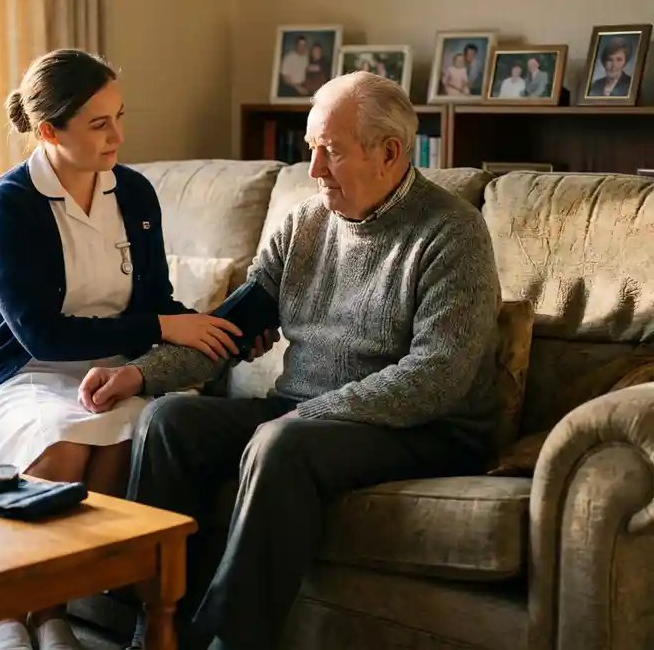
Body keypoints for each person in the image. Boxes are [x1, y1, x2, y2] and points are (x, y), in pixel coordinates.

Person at [79, 71, 503, 650]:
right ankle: (154, 630)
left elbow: (438, 377)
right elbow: (232, 326)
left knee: (281, 444)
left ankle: (229, 642)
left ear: (390, 153)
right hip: (304, 415)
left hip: (427, 429)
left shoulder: (451, 233)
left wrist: (309, 415)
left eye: (330, 152)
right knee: (169, 421)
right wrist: (142, 373)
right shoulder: (305, 223)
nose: (315, 171)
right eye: (310, 150)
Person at [0, 49, 248, 650]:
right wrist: (163, 327)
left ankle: (51, 611)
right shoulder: (7, 203)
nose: (118, 135)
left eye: (119, 116)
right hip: (21, 371)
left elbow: (156, 301)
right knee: (61, 443)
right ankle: (9, 610)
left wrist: (215, 330)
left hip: (112, 370)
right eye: (98, 123)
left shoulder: (134, 194)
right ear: (47, 131)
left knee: (125, 438)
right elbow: (41, 334)